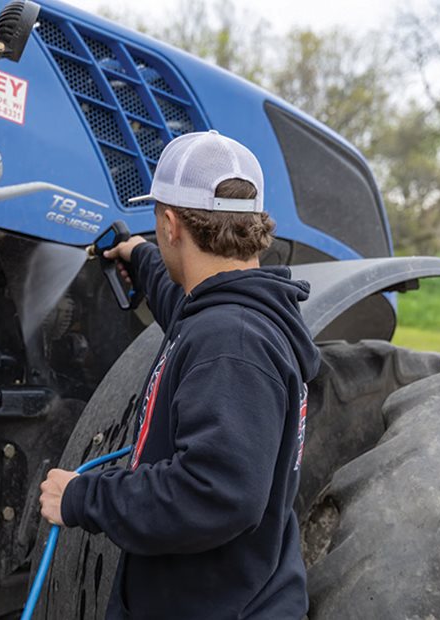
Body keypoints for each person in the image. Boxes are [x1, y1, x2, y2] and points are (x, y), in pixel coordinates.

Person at [39, 130, 320, 619]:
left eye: (156, 225)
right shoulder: (234, 314)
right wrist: (137, 255)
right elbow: (186, 308)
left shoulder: (230, 343)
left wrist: (83, 496)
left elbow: (213, 494)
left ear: (170, 224)